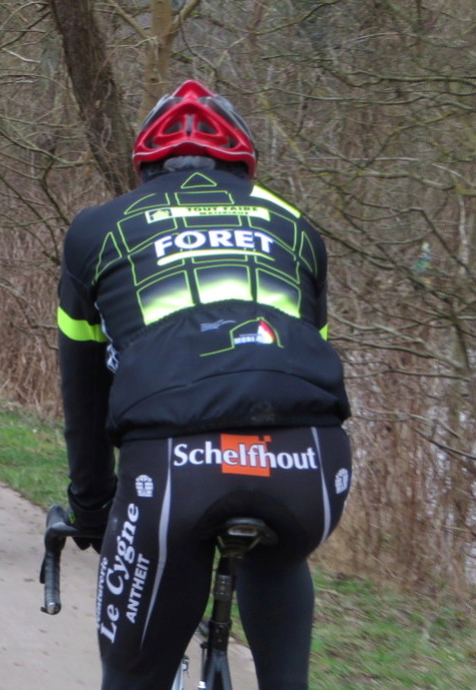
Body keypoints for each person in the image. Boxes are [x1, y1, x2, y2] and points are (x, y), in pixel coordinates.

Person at [56, 80, 353, 689]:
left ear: (146, 165)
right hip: (310, 466)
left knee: (133, 677)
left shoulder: (97, 230)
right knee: (280, 552)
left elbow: (82, 389)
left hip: (175, 465)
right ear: (243, 165)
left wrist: (91, 508)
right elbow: (299, 352)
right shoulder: (296, 228)